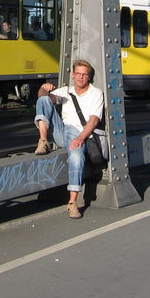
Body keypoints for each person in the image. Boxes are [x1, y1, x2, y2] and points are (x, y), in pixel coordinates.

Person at [33, 59, 104, 219]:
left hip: (79, 133)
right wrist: (43, 89)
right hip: (62, 131)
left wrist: (80, 138)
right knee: (43, 100)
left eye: (84, 75)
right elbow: (43, 98)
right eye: (77, 74)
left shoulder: (96, 93)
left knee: (77, 157)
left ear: (89, 77)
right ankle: (43, 140)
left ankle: (72, 202)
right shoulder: (66, 91)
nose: (80, 77)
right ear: (73, 75)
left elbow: (93, 120)